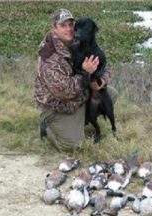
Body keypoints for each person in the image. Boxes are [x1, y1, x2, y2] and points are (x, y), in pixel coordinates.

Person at [34, 9, 117, 151]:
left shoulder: (78, 42)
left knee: (110, 93)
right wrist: (86, 73)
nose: (69, 29)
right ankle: (47, 128)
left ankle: (79, 122)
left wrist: (101, 82)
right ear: (54, 28)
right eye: (63, 25)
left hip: (78, 97)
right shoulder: (49, 56)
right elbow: (64, 92)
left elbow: (103, 66)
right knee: (73, 145)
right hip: (57, 106)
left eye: (71, 24)